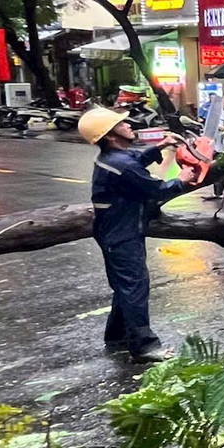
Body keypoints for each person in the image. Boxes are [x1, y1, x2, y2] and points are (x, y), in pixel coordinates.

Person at [79, 106, 186, 363]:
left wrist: (161, 146)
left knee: (124, 285)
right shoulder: (120, 165)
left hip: (114, 231)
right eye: (122, 124)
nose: (130, 125)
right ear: (109, 135)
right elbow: (157, 189)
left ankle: (116, 335)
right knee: (134, 286)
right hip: (121, 234)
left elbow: (134, 162)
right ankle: (144, 346)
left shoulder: (115, 159)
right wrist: (184, 179)